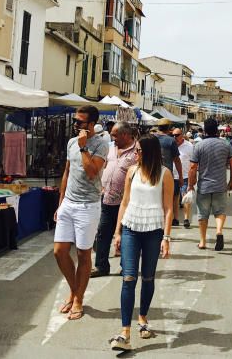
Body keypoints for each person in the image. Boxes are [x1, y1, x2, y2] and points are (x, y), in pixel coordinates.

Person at [109, 134, 174, 353]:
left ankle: (143, 317)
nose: (136, 154)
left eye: (139, 151)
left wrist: (166, 237)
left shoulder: (165, 175)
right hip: (130, 228)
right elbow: (125, 203)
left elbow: (168, 209)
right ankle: (125, 332)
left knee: (147, 277)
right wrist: (117, 232)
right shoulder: (132, 171)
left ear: (149, 152)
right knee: (128, 278)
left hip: (154, 231)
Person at [54, 105, 109, 320]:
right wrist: (60, 203)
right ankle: (74, 290)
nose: (75, 125)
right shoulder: (70, 143)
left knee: (83, 254)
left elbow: (92, 173)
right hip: (68, 203)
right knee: (59, 251)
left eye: (80, 122)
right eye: (75, 121)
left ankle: (78, 298)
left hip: (88, 205)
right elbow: (67, 172)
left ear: (91, 124)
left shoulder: (101, 145)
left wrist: (84, 148)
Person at [92, 123, 138, 278]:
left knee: (125, 236)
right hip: (106, 199)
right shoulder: (110, 147)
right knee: (103, 233)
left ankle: (126, 267)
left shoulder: (137, 151)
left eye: (115, 135)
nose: (112, 138)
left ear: (125, 135)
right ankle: (101, 266)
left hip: (126, 202)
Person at [188, 117, 232, 251]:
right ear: (217, 129)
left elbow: (193, 167)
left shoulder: (199, 146)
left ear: (205, 130)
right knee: (220, 211)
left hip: (204, 186)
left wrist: (191, 184)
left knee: (202, 214)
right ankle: (219, 231)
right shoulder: (226, 144)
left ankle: (203, 241)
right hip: (220, 186)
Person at [154, 122, 183, 225]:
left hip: (152, 174)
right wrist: (180, 176)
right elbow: (177, 160)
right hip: (167, 175)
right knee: (167, 201)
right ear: (169, 129)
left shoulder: (151, 138)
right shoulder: (171, 141)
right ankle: (165, 225)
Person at [172, 129, 194, 228]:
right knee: (175, 198)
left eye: (176, 135)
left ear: (182, 135)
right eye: (173, 135)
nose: (174, 137)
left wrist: (193, 176)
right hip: (172, 175)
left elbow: (193, 162)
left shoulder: (189, 146)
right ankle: (175, 218)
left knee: (185, 197)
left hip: (185, 176)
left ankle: (186, 218)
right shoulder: (171, 144)